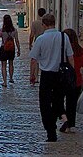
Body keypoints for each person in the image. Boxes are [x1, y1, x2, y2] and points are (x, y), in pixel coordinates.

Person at [29, 13, 74, 142]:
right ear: (54, 23)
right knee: (58, 101)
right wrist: (72, 74)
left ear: (44, 24)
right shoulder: (63, 36)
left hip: (46, 76)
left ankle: (50, 131)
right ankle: (53, 125)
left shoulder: (41, 39)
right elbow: (70, 57)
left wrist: (32, 75)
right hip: (61, 75)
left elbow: (34, 59)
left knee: (45, 104)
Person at [59, 28, 83, 133]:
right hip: (76, 81)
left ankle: (65, 119)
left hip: (63, 79)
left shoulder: (62, 50)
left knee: (58, 101)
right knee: (71, 104)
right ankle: (71, 125)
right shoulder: (80, 51)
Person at [0, 14, 20, 86]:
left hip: (3, 49)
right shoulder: (14, 30)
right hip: (12, 49)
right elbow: (17, 41)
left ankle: (5, 82)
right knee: (11, 64)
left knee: (3, 66)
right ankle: (11, 78)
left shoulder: (1, 30)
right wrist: (19, 49)